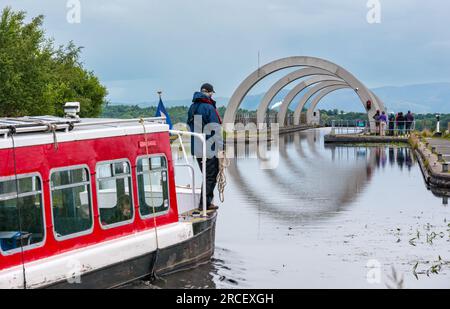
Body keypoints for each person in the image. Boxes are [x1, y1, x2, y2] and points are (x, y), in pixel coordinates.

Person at [187, 83, 223, 211]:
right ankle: (204, 205)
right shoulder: (208, 108)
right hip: (209, 148)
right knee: (210, 176)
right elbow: (215, 128)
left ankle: (206, 202)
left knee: (206, 175)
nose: (212, 95)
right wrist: (221, 148)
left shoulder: (192, 107)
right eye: (212, 93)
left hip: (197, 149)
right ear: (207, 92)